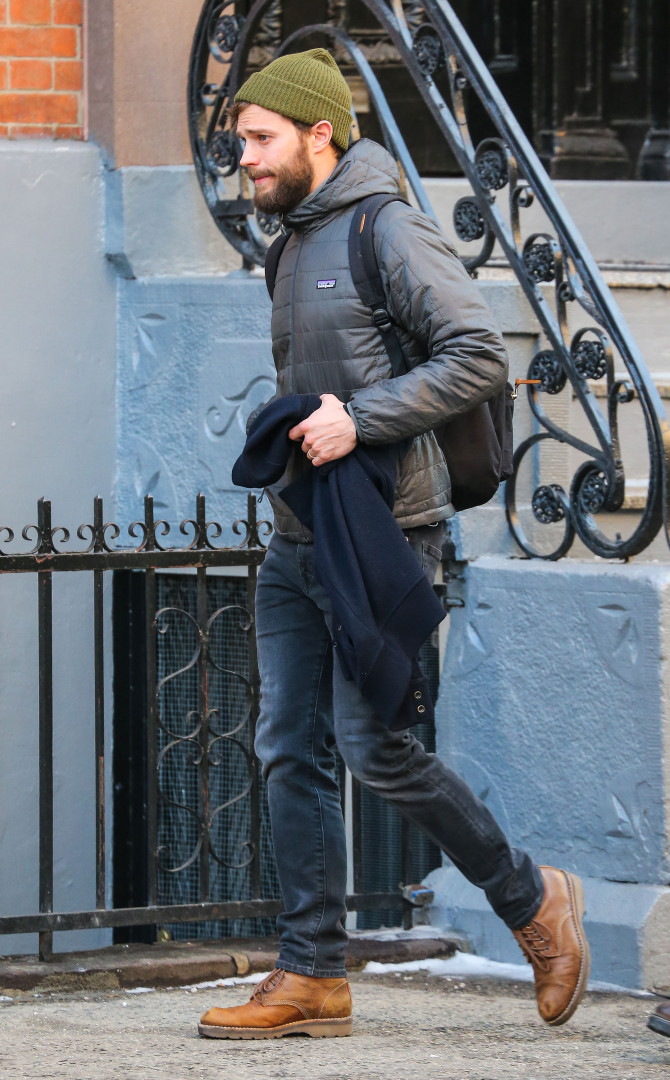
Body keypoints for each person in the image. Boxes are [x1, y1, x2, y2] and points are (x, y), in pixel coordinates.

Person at [198, 48, 589, 1041]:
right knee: (287, 747)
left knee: (376, 747)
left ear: (320, 133)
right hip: (299, 535)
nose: (246, 158)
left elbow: (480, 354)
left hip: (385, 538)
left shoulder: (387, 227)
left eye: (261, 138)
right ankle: (312, 974)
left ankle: (532, 899)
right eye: (242, 140)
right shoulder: (288, 243)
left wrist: (360, 417)